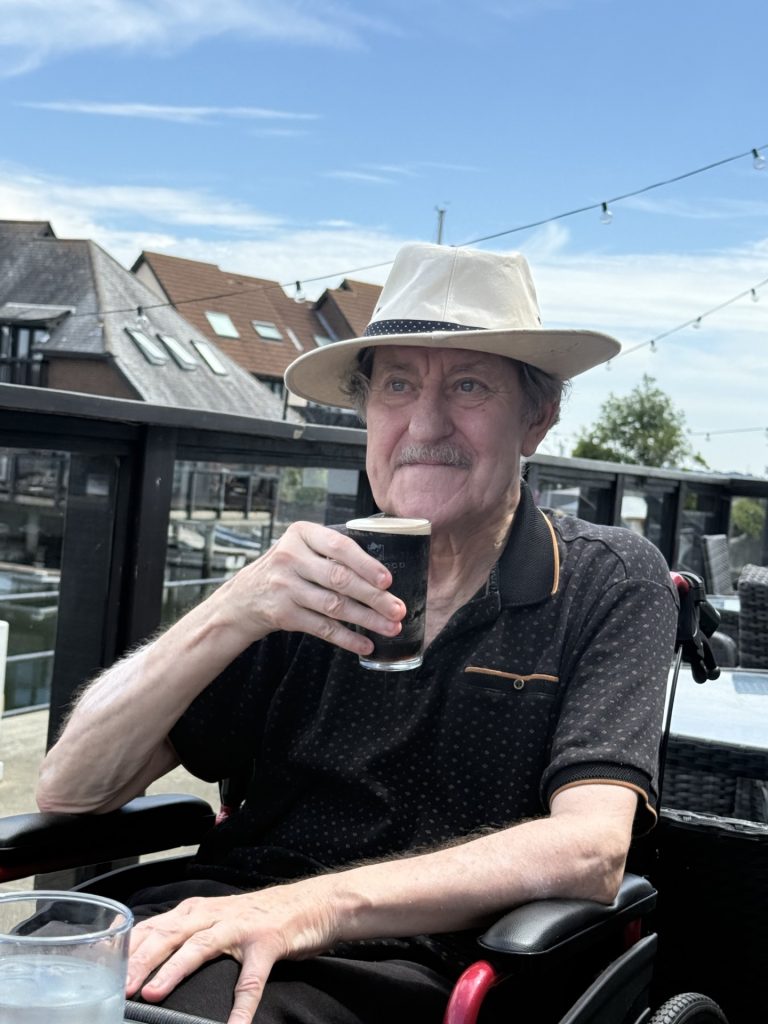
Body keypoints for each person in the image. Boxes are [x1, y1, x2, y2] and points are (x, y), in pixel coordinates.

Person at [37, 243, 678, 1024]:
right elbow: (71, 789)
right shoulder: (307, 577)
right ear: (367, 411)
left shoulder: (606, 581)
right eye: (397, 385)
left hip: (413, 960)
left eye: (469, 386)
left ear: (536, 418)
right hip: (214, 916)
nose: (426, 424)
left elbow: (590, 850)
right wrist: (233, 606)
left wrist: (300, 910)